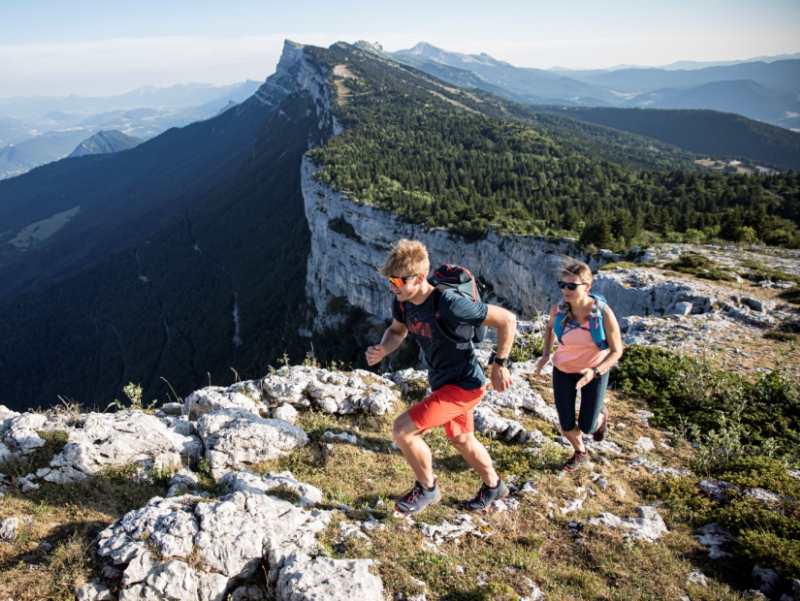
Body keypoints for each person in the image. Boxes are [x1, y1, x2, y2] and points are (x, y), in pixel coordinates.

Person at [365, 239, 517, 515]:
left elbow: (507, 320)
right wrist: (383, 349)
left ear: (420, 278)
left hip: (465, 384)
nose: (391, 287)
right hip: (442, 382)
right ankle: (495, 486)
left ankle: (427, 488)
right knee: (461, 439)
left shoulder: (449, 304)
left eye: (398, 281)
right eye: (390, 280)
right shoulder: (403, 301)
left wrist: (500, 364)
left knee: (403, 431)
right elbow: (397, 332)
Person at [534, 261, 623, 472]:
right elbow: (548, 328)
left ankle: (600, 416)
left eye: (572, 286)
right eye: (562, 285)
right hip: (563, 370)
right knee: (565, 424)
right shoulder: (558, 310)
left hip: (594, 371)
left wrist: (595, 371)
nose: (566, 290)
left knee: (588, 426)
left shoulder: (603, 314)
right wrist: (546, 355)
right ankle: (580, 452)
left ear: (587, 287)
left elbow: (617, 351)